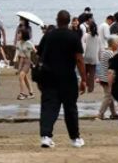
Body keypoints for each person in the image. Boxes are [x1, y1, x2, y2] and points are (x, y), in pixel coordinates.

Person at [36, 9, 88, 149]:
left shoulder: (48, 36)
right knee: (70, 107)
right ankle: (75, 138)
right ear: (69, 20)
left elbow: (39, 55)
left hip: (48, 76)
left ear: (57, 20)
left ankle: (46, 136)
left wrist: (39, 77)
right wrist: (83, 79)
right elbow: (79, 59)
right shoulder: (73, 37)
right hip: (67, 77)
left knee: (48, 107)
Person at [96, 35, 118, 120]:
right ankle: (100, 114)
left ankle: (114, 114)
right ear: (113, 44)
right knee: (108, 96)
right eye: (117, 43)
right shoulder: (110, 53)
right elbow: (112, 67)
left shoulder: (105, 52)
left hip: (103, 77)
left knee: (110, 96)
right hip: (106, 78)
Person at [15, 23, 36, 99]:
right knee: (24, 77)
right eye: (18, 33)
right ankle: (31, 93)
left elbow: (35, 51)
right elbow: (18, 53)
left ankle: (22, 93)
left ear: (23, 34)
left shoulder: (28, 43)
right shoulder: (18, 43)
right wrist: (17, 62)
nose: (17, 35)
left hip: (27, 62)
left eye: (19, 33)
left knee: (21, 76)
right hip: (21, 61)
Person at [80, 18, 100, 94]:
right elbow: (100, 48)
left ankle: (82, 87)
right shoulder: (98, 37)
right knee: (92, 73)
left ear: (88, 28)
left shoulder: (86, 35)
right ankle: (90, 89)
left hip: (86, 56)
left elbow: (82, 44)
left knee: (84, 73)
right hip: (94, 57)